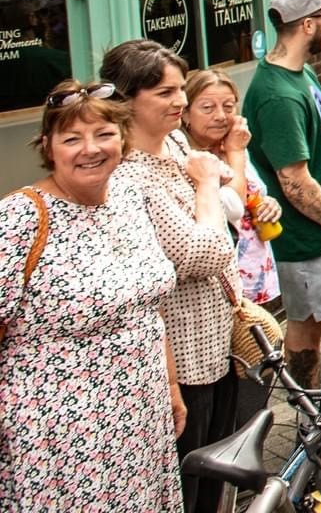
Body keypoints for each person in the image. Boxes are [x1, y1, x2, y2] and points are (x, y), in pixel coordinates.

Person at [0, 81, 181, 511]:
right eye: (71, 138)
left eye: (103, 134)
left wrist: (170, 385)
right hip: (61, 437)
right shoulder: (20, 218)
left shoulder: (127, 198)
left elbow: (147, 306)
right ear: (48, 146)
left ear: (122, 138)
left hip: (142, 415)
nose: (90, 149)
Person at [99, 41, 239, 513]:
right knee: (191, 482)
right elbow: (206, 252)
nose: (180, 101)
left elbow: (229, 204)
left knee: (219, 477)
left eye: (181, 89)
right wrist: (205, 185)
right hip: (181, 358)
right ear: (126, 100)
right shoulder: (128, 176)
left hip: (219, 340)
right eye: (164, 92)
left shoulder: (178, 143)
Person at [242, 0, 321, 407]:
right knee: (307, 328)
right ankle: (304, 415)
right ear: (308, 25)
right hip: (303, 240)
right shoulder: (277, 96)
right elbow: (294, 181)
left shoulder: (301, 72)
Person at [183, 68, 281, 307]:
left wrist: (271, 204)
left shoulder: (233, 145)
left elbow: (254, 194)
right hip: (221, 283)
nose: (220, 116)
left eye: (228, 107)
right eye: (207, 108)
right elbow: (231, 208)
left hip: (256, 271)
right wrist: (236, 152)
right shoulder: (189, 159)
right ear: (185, 114)